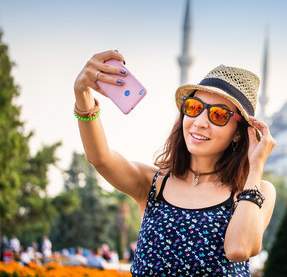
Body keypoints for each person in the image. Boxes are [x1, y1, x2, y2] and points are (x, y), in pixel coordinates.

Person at [73, 50, 276, 276]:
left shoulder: (255, 192)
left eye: (218, 115)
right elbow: (99, 158)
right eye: (194, 108)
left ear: (239, 133)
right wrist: (83, 94)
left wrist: (256, 166)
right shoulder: (155, 183)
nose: (199, 122)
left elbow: (239, 249)